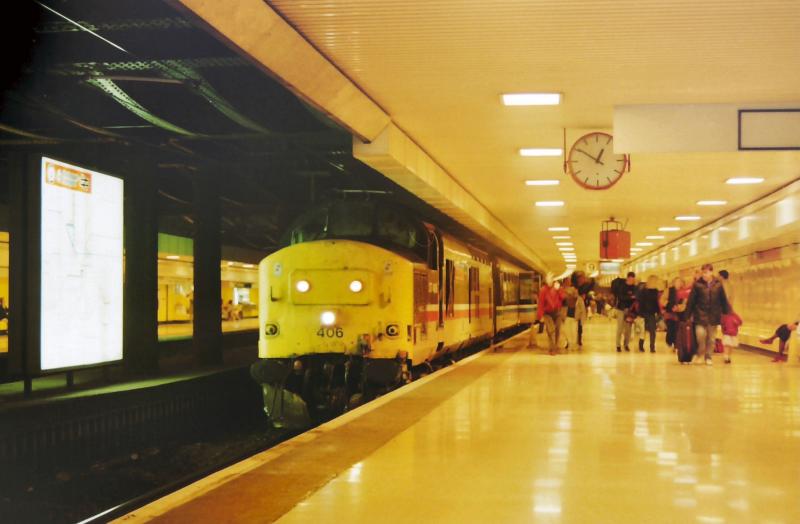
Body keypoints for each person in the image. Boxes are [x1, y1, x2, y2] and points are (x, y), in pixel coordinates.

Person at [685, 263, 731, 366]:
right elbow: (691, 301)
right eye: (703, 273)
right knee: (700, 336)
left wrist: (726, 312)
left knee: (711, 338)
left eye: (706, 272)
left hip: (713, 316)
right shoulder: (697, 285)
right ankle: (700, 352)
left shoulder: (718, 285)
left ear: (711, 272)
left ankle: (708, 357)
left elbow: (723, 299)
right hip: (699, 315)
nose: (704, 275)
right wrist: (687, 315)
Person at [534, 274, 565, 355]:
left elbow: (563, 298)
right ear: (546, 280)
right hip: (547, 313)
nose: (550, 281)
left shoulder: (558, 288)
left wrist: (558, 290)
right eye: (548, 279)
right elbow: (541, 303)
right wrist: (540, 316)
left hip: (557, 312)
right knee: (551, 330)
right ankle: (552, 348)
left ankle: (556, 346)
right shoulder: (543, 290)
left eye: (551, 279)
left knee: (558, 329)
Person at [612, 272, 637, 352]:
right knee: (620, 328)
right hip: (621, 309)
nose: (632, 281)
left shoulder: (634, 287)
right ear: (628, 278)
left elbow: (636, 298)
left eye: (633, 279)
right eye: (631, 279)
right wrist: (631, 297)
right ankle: (618, 345)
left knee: (628, 329)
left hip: (630, 311)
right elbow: (621, 297)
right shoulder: (622, 286)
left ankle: (626, 344)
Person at [636, 275, 661, 353]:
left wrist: (658, 312)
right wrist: (640, 314)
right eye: (654, 281)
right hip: (644, 313)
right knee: (643, 331)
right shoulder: (643, 290)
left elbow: (656, 302)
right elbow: (641, 302)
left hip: (652, 313)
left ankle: (652, 347)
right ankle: (641, 345)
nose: (655, 282)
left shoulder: (656, 291)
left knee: (652, 331)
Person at [664, 277, 684, 350]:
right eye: (677, 282)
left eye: (680, 282)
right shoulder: (668, 290)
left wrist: (679, 307)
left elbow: (684, 302)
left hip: (678, 314)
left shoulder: (682, 291)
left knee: (677, 329)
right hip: (669, 313)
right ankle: (669, 341)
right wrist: (669, 305)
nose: (679, 283)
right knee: (670, 328)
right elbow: (663, 300)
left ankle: (676, 344)